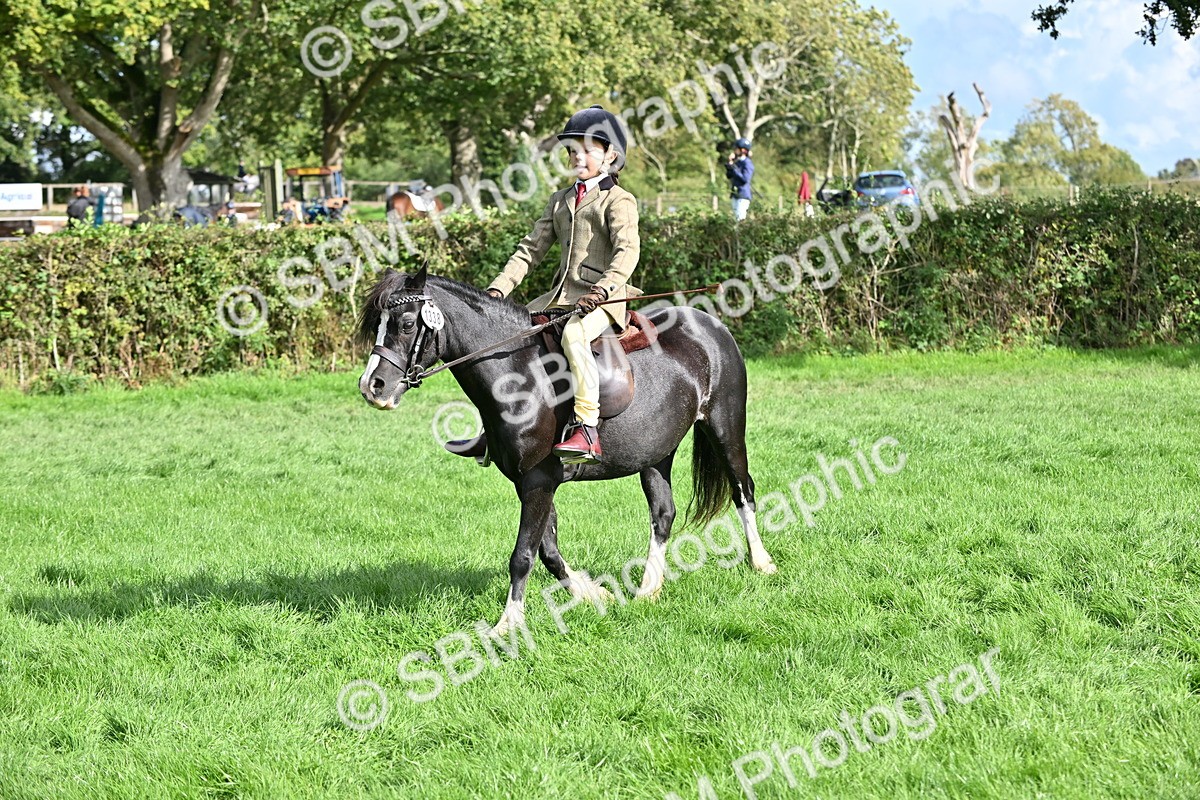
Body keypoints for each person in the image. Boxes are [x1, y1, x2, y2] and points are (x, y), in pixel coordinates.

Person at [485, 105, 640, 465]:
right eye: (572, 150)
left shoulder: (619, 200)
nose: (576, 157)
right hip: (559, 297)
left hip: (603, 300)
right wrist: (497, 290)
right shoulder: (560, 200)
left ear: (610, 155)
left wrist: (602, 290)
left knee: (574, 336)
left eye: (586, 150)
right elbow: (529, 250)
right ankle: (495, 429)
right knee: (510, 337)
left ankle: (586, 428)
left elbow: (626, 254)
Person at [725, 138, 754, 221]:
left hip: (743, 195)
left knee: (740, 219)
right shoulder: (738, 162)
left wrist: (733, 167)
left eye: (737, 149)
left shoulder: (747, 163)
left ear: (743, 150)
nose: (735, 150)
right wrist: (730, 164)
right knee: (735, 219)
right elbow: (729, 175)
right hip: (735, 194)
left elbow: (745, 179)